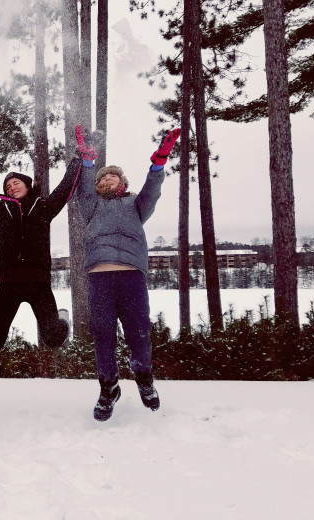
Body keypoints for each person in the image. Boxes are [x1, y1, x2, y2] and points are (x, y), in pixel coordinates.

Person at [73, 124, 180, 421]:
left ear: (122, 181)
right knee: (103, 335)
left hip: (132, 277)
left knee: (139, 332)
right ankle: (108, 388)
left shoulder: (136, 205)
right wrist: (87, 161)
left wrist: (159, 161)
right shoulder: (90, 206)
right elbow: (83, 186)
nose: (107, 178)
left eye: (113, 175)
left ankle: (144, 379)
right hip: (99, 278)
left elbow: (152, 191)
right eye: (102, 176)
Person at [0, 140, 83, 352]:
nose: (11, 187)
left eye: (15, 183)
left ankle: (62, 320)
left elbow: (66, 187)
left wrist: (78, 158)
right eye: (7, 186)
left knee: (54, 339)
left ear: (27, 184)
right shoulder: (0, 211)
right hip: (9, 284)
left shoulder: (43, 208)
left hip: (39, 283)